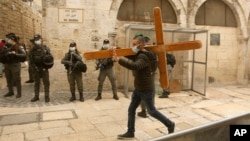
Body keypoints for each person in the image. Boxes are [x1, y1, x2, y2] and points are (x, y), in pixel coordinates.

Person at [112, 35, 175, 139]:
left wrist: (119, 60)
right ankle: (130, 132)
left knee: (152, 111)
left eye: (134, 44)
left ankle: (170, 124)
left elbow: (135, 66)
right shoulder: (140, 53)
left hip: (146, 89)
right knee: (131, 110)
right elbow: (130, 55)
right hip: (138, 89)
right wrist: (118, 50)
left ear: (140, 45)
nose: (132, 47)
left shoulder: (143, 57)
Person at [29, 34, 53, 102]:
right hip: (36, 68)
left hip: (44, 68)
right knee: (37, 83)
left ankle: (47, 97)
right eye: (36, 40)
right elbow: (30, 59)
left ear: (41, 39)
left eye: (38, 39)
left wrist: (47, 65)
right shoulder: (32, 49)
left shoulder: (45, 48)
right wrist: (33, 67)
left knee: (46, 83)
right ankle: (36, 96)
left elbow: (50, 58)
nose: (37, 41)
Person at [3, 33, 26, 98]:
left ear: (13, 40)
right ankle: (10, 91)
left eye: (9, 39)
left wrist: (15, 54)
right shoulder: (7, 46)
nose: (8, 40)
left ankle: (19, 93)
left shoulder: (19, 46)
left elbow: (24, 55)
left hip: (15, 65)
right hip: (8, 65)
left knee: (17, 79)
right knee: (8, 79)